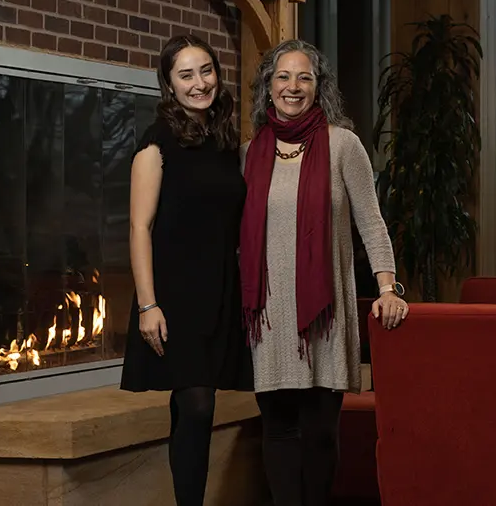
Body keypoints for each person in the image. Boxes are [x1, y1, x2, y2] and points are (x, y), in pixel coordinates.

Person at [239, 39, 409, 506]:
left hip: (325, 314)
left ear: (319, 87)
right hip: (270, 319)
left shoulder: (343, 145)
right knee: (277, 429)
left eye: (304, 77)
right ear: (268, 87)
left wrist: (388, 287)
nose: (293, 87)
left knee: (318, 433)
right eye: (283, 77)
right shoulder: (252, 152)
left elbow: (371, 222)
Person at [120, 34, 253, 506]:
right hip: (174, 295)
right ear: (169, 85)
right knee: (197, 404)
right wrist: (148, 304)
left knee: (194, 406)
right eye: (186, 75)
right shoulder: (156, 144)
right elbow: (139, 228)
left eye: (206, 71)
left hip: (218, 289)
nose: (200, 83)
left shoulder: (222, 143)